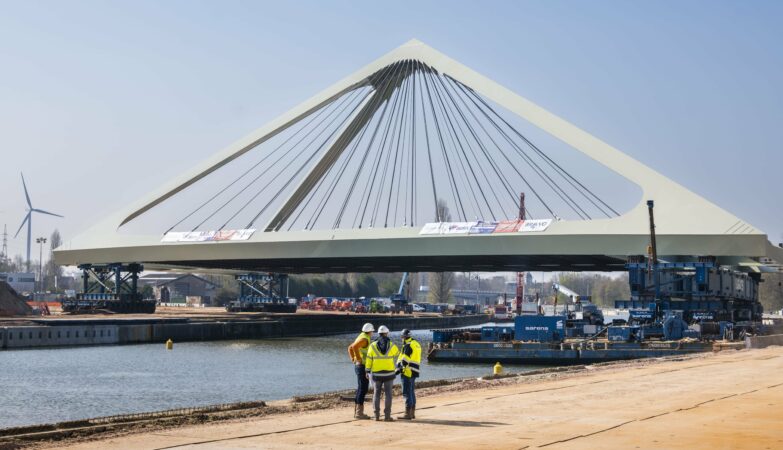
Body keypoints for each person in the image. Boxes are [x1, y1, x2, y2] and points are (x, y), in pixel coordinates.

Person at [365, 325, 399, 421]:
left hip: (376, 374)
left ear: (378, 333)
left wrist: (367, 371)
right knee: (388, 394)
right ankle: (387, 416)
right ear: (386, 333)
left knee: (376, 394)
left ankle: (376, 416)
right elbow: (397, 354)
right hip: (389, 374)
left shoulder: (372, 345)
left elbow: (368, 360)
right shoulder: (392, 345)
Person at [347, 322, 374, 419]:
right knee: (363, 389)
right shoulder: (365, 339)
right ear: (369, 331)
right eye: (372, 331)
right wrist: (358, 359)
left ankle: (358, 412)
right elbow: (353, 347)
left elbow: (350, 348)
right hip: (362, 366)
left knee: (361, 388)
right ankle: (359, 413)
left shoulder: (361, 336)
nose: (372, 333)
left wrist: (353, 359)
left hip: (359, 366)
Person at [396, 329, 421, 420]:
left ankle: (407, 414)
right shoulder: (416, 343)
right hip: (415, 370)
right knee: (411, 391)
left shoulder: (408, 345)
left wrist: (398, 370)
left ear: (404, 337)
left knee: (406, 392)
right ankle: (412, 413)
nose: (401, 338)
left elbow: (405, 360)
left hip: (407, 371)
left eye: (402, 337)